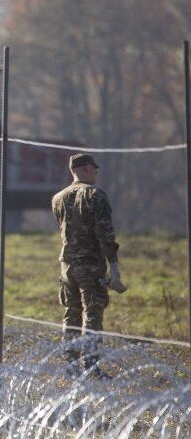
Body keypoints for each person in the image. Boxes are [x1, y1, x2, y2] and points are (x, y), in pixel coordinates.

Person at [51, 153, 124, 376]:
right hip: (90, 264)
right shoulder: (95, 195)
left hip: (67, 264)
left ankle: (70, 364)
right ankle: (91, 367)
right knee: (92, 313)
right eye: (93, 168)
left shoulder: (58, 198)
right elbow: (105, 234)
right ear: (83, 169)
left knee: (71, 313)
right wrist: (114, 267)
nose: (96, 172)